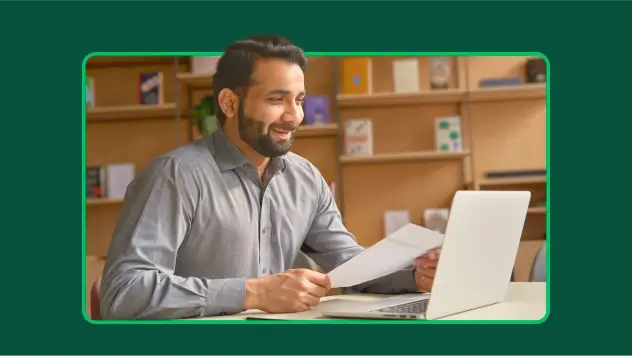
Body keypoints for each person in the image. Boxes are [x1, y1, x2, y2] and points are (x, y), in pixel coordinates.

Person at [99, 35, 442, 320]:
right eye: (277, 99)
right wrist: (254, 292)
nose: (294, 116)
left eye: (299, 100)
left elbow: (348, 264)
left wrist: (414, 276)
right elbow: (123, 292)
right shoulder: (174, 176)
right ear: (230, 103)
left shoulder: (305, 178)